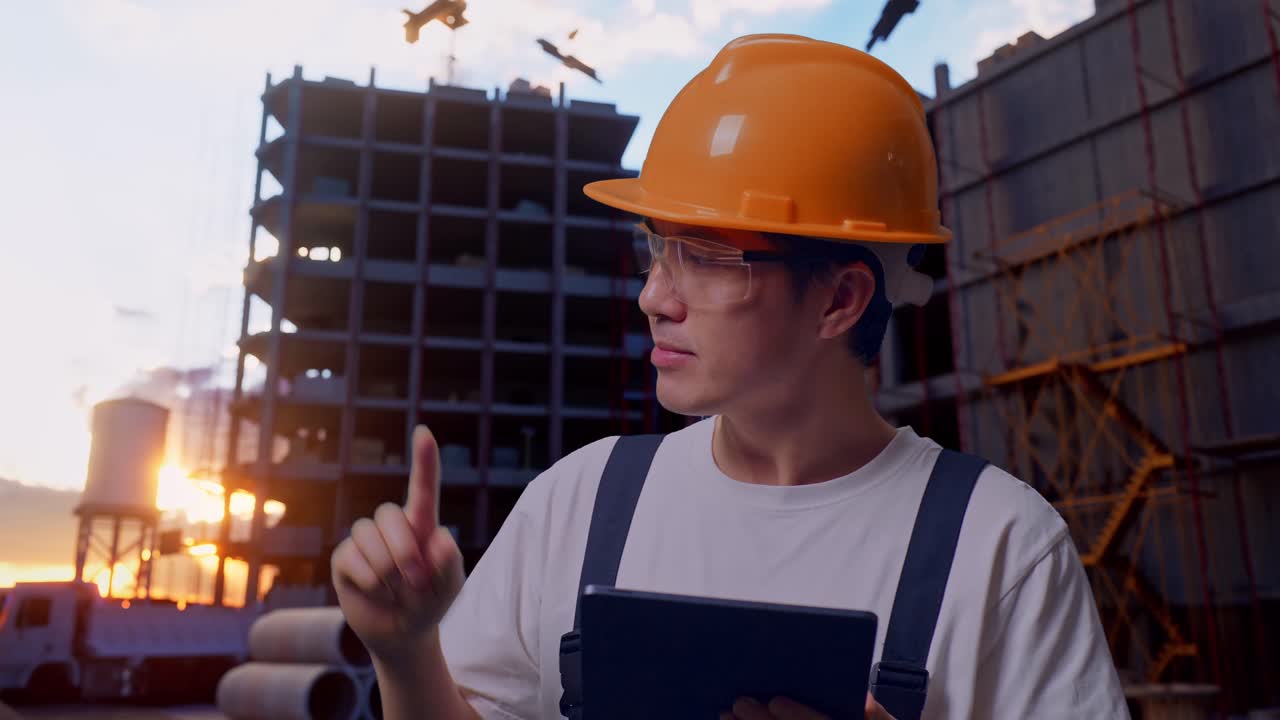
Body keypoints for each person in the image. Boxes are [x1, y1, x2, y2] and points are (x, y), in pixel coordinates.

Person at [330, 33, 1129, 719]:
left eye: (706, 259)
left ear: (841, 299)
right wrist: (404, 654)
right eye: (656, 248)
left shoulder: (999, 548)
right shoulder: (580, 504)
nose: (653, 298)